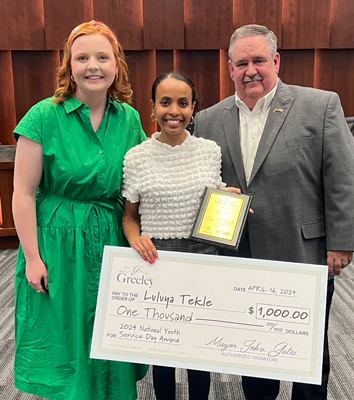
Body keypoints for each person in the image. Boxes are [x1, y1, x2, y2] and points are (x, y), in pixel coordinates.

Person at [194, 23, 354, 400]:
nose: (251, 70)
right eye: (241, 63)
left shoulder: (321, 105)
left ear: (276, 61)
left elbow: (343, 179)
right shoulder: (208, 120)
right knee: (253, 348)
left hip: (304, 253)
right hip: (240, 255)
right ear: (229, 68)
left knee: (308, 352)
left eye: (259, 60)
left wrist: (343, 242)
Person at [12, 20, 148, 400]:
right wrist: (33, 257)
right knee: (65, 330)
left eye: (103, 57)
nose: (93, 65)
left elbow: (144, 180)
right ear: (68, 65)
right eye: (82, 57)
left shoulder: (129, 118)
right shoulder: (43, 116)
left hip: (111, 235)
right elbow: (22, 193)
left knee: (111, 326)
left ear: (116, 64)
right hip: (57, 240)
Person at [122, 71, 240, 399]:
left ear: (193, 109)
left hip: (203, 257)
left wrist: (228, 199)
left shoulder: (209, 151)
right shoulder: (136, 157)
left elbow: (213, 196)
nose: (174, 110)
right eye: (165, 102)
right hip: (156, 259)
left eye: (183, 103)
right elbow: (129, 217)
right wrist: (134, 238)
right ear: (152, 107)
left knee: (198, 347)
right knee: (164, 349)